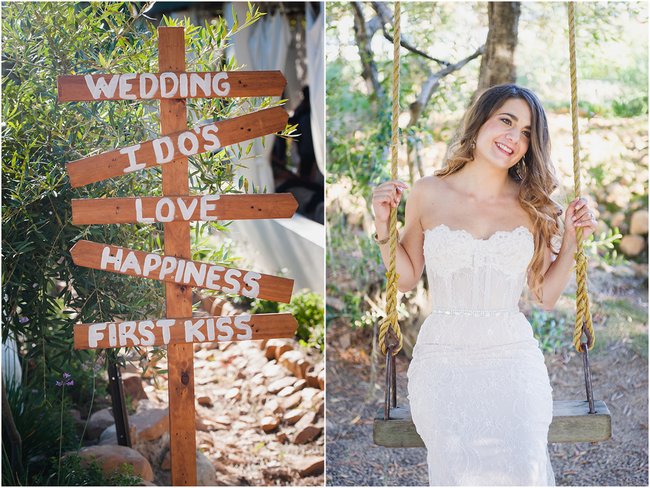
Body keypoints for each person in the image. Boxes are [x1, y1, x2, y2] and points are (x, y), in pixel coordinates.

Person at [371, 84, 597, 486]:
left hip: (512, 357)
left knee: (523, 465)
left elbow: (544, 295)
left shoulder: (534, 205)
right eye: (506, 121)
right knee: (459, 470)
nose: (514, 138)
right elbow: (404, 279)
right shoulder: (428, 192)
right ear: (479, 123)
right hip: (443, 358)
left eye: (526, 132)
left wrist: (572, 243)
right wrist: (383, 225)